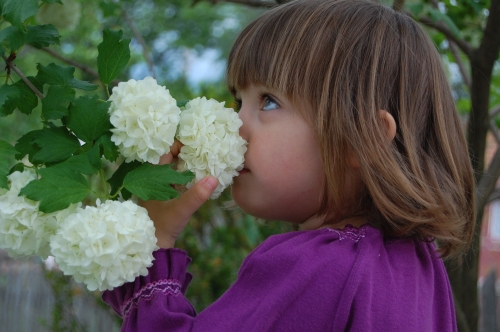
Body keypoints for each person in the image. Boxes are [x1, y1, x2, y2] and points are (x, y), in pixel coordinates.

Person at [103, 0, 475, 330]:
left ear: (362, 141)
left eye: (267, 102)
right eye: (238, 100)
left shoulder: (312, 268)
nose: (236, 125)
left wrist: (154, 247)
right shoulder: (421, 269)